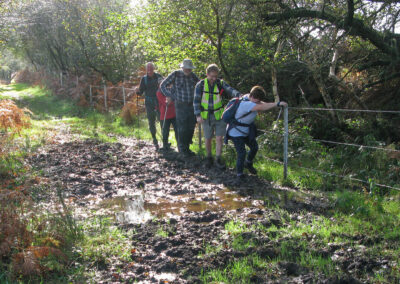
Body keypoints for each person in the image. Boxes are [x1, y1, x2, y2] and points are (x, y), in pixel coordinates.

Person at [226, 85, 287, 181]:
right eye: (258, 100)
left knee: (254, 147)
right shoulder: (246, 104)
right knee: (242, 152)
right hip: (236, 132)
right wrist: (278, 104)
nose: (259, 102)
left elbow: (261, 104)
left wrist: (273, 104)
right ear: (253, 97)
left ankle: (248, 163)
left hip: (245, 131)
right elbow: (262, 107)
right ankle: (239, 174)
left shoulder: (248, 97)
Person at [193, 64, 240, 168]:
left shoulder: (220, 83)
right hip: (206, 116)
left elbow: (230, 90)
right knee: (208, 138)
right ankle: (209, 158)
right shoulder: (200, 85)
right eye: (212, 76)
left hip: (219, 115)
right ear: (207, 74)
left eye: (215, 76)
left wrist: (240, 96)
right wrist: (198, 115)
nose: (214, 79)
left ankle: (218, 159)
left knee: (219, 138)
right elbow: (196, 101)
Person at [160, 59, 200, 157]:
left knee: (191, 127)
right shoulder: (176, 74)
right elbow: (163, 85)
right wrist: (170, 96)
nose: (188, 70)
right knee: (182, 127)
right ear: (182, 67)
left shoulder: (193, 76)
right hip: (180, 104)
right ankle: (182, 150)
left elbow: (201, 86)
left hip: (191, 105)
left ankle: (187, 148)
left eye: (189, 68)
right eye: (186, 68)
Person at [136, 62, 163, 150]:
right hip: (149, 103)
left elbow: (164, 88)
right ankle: (154, 139)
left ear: (154, 68)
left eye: (151, 68)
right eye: (148, 68)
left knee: (162, 120)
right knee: (151, 122)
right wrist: (137, 91)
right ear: (146, 69)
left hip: (159, 102)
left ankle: (165, 140)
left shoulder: (159, 76)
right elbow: (140, 92)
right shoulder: (144, 79)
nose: (150, 70)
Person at [156, 80, 178, 151]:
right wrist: (172, 100)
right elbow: (166, 103)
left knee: (177, 130)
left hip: (174, 114)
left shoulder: (171, 90)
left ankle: (180, 145)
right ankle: (165, 145)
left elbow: (176, 99)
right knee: (165, 131)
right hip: (164, 114)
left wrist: (172, 100)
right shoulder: (159, 92)